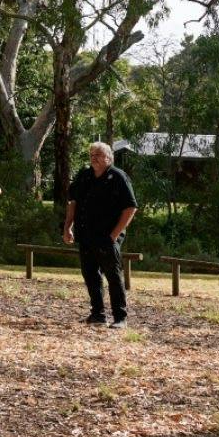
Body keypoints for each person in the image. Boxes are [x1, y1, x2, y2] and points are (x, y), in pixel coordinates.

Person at [63, 140, 138, 328]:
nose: (94, 158)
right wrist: (67, 228)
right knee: (90, 276)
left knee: (113, 276)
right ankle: (97, 314)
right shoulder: (84, 176)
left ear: (109, 158)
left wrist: (114, 236)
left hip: (107, 237)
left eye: (98, 155)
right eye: (91, 155)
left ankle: (120, 317)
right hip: (85, 236)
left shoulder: (118, 177)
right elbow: (73, 202)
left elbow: (130, 208)